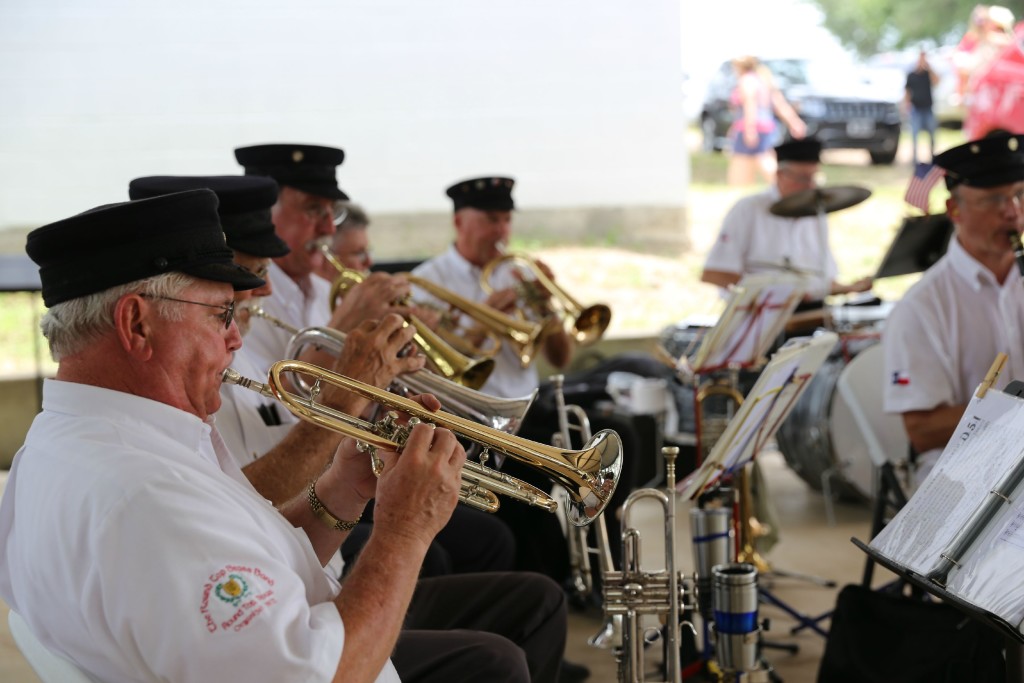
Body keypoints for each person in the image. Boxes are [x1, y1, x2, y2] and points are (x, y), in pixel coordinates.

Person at [0, 189, 467, 682]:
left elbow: (242, 550)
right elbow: (321, 676)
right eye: (220, 313)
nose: (236, 339)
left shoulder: (59, 444)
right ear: (137, 324)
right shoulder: (150, 497)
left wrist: (342, 490)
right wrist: (406, 528)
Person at [125, 175, 569, 683]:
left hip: (306, 577)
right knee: (493, 645)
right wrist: (402, 524)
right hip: (310, 618)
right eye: (235, 287)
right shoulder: (151, 447)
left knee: (533, 596)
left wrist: (344, 484)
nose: (257, 294)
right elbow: (254, 501)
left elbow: (249, 518)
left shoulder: (168, 405)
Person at [230, 145, 521, 577]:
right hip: (301, 482)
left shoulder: (320, 288)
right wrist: (346, 327)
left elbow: (353, 394)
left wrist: (399, 363)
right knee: (451, 551)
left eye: (332, 212)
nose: (328, 227)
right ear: (267, 214)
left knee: (491, 538)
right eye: (314, 210)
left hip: (343, 466)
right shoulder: (246, 302)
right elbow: (285, 396)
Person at [883, 132, 1024, 488]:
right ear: (954, 210)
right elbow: (923, 430)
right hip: (963, 476)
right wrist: (1015, 413)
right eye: (994, 199)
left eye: (1020, 195)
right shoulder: (922, 306)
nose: (1013, 212)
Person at [702, 137, 874, 302]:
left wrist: (849, 289)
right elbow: (716, 273)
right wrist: (775, 297)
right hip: (759, 313)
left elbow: (824, 281)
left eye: (814, 178)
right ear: (779, 175)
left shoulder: (817, 212)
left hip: (807, 312)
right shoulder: (748, 209)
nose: (809, 186)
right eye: (802, 179)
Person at [726, 55, 807, 186]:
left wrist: (750, 130)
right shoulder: (763, 80)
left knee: (742, 171)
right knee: (764, 162)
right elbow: (780, 105)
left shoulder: (747, 81)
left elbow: (750, 106)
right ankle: (795, 182)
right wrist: (795, 122)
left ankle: (794, 183)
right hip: (767, 127)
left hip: (750, 128)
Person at [904, 49, 940, 167]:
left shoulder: (927, 74)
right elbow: (907, 92)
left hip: (928, 108)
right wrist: (906, 106)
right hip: (916, 109)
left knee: (932, 134)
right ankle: (914, 159)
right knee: (914, 135)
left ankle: (933, 157)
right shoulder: (911, 75)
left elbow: (937, 81)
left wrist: (929, 67)